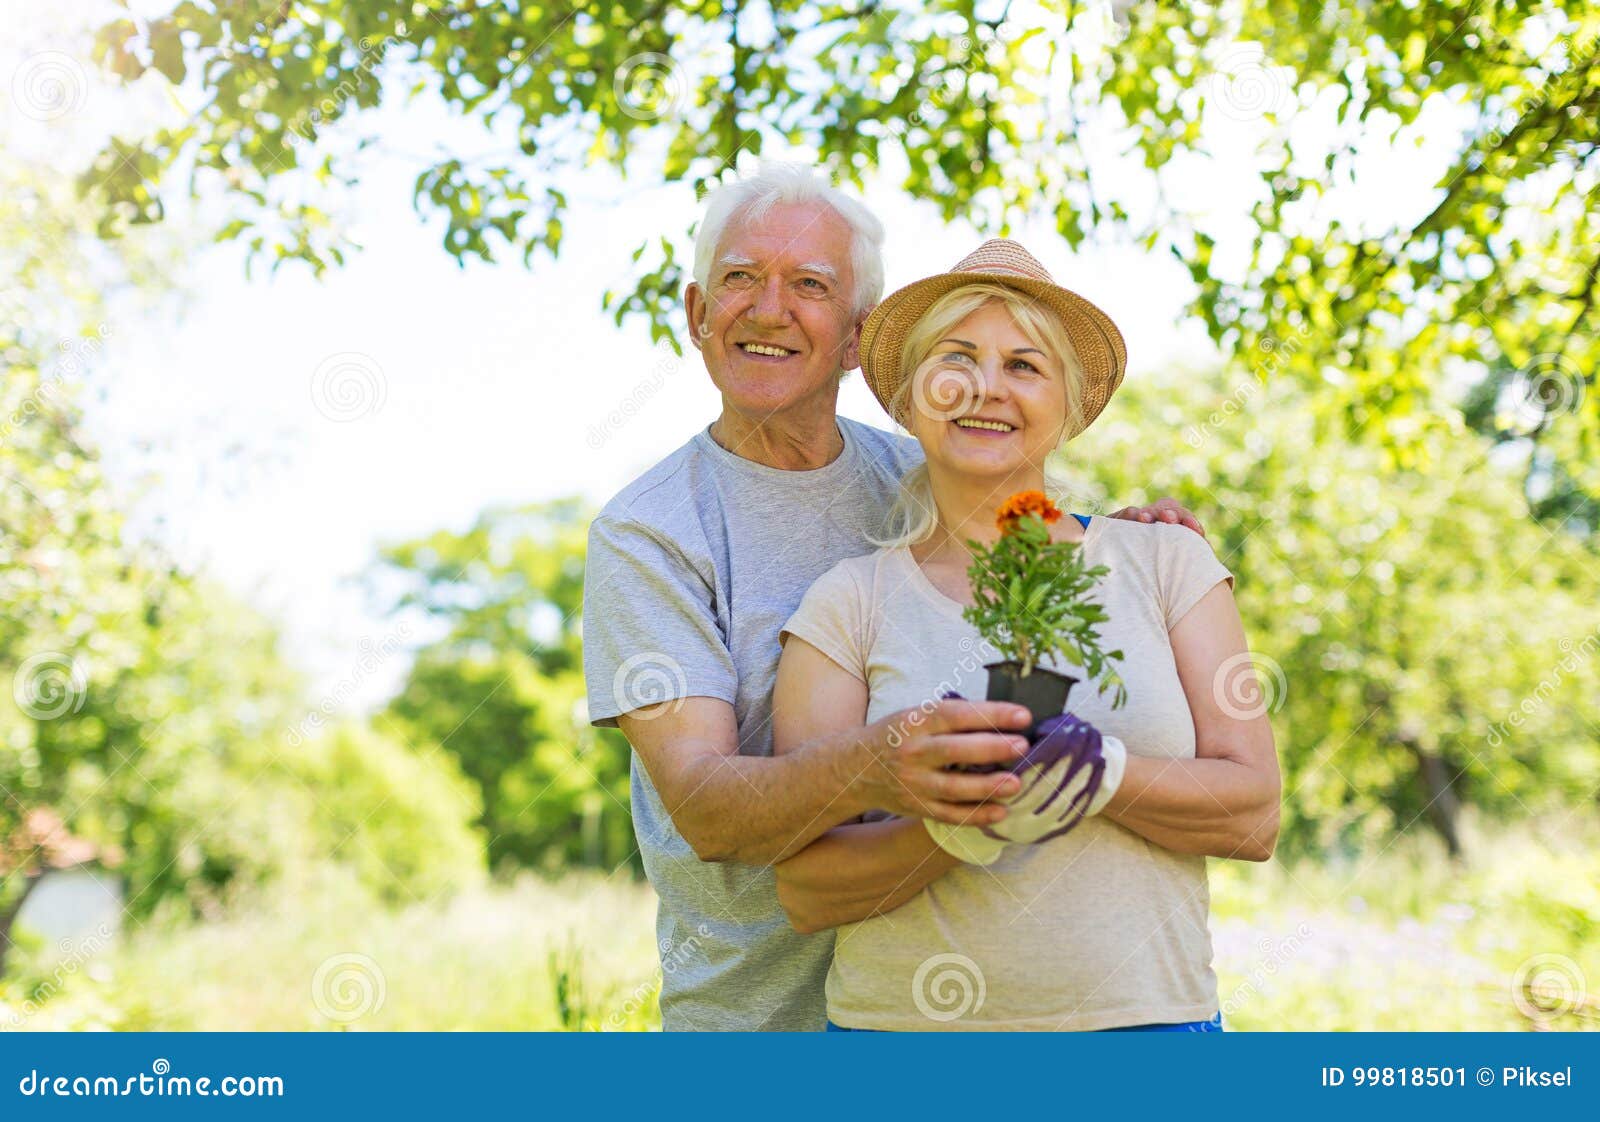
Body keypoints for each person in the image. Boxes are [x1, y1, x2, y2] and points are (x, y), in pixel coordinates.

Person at [581, 163, 1207, 1031]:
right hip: (753, 1019)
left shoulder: (911, 472)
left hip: (929, 1012)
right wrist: (890, 761)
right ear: (695, 314)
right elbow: (707, 811)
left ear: (854, 336)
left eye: (809, 285)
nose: (767, 309)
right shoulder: (651, 533)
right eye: (739, 279)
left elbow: (1034, 531)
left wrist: (1130, 541)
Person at [772, 239, 1281, 1031]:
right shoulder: (845, 606)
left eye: (1024, 366)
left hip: (1147, 1038)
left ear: (1069, 408)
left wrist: (1104, 774)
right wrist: (958, 833)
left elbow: (1253, 817)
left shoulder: (1166, 562)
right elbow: (806, 890)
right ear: (911, 400)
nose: (986, 388)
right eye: (958, 359)